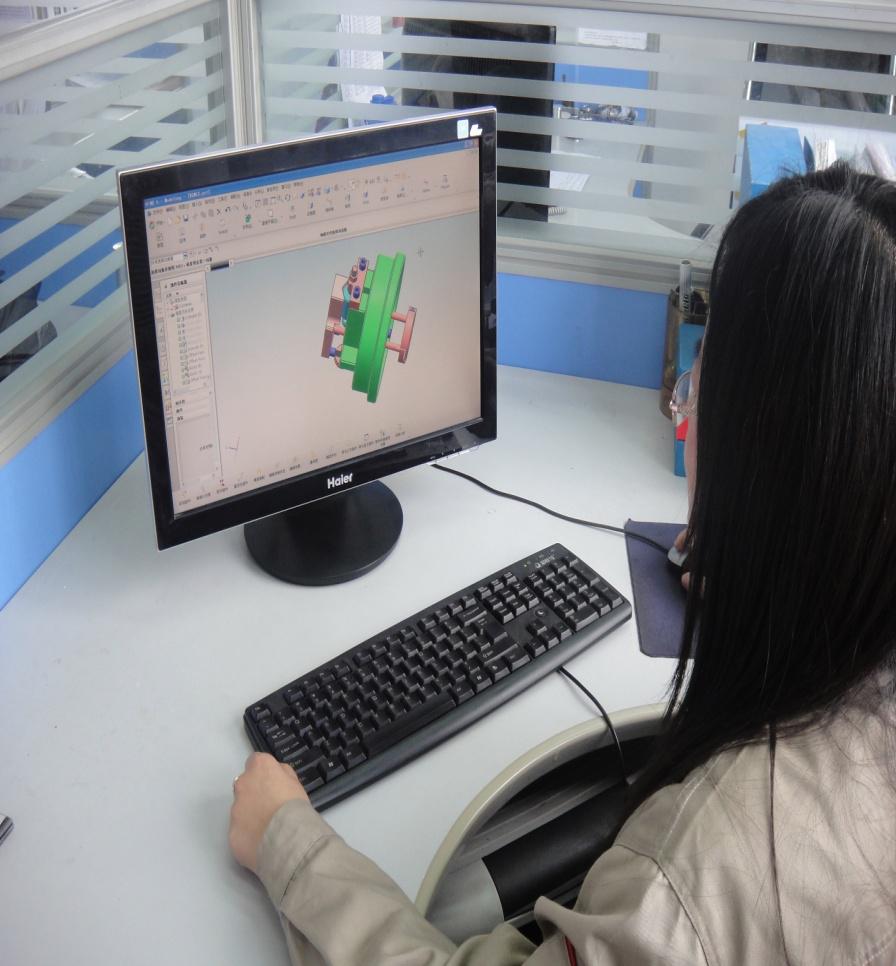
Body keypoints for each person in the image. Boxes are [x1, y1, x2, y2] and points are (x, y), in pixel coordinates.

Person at [229, 164, 896, 965]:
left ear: (760, 455)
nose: (688, 400)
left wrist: (290, 846)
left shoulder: (688, 883)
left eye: (700, 381)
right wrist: (768, 579)